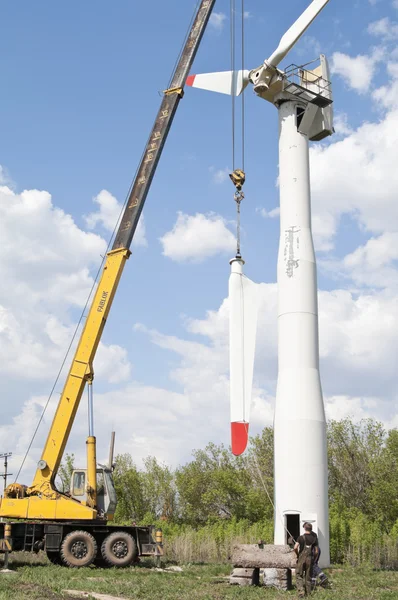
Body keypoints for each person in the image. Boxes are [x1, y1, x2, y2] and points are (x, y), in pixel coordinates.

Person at [294, 522, 318, 597]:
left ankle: (301, 592)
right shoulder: (314, 538)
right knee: (308, 577)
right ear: (311, 529)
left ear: (305, 528)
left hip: (301, 559)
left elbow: (295, 547)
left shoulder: (300, 537)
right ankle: (309, 593)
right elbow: (316, 551)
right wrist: (313, 558)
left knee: (299, 575)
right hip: (310, 559)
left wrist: (298, 555)